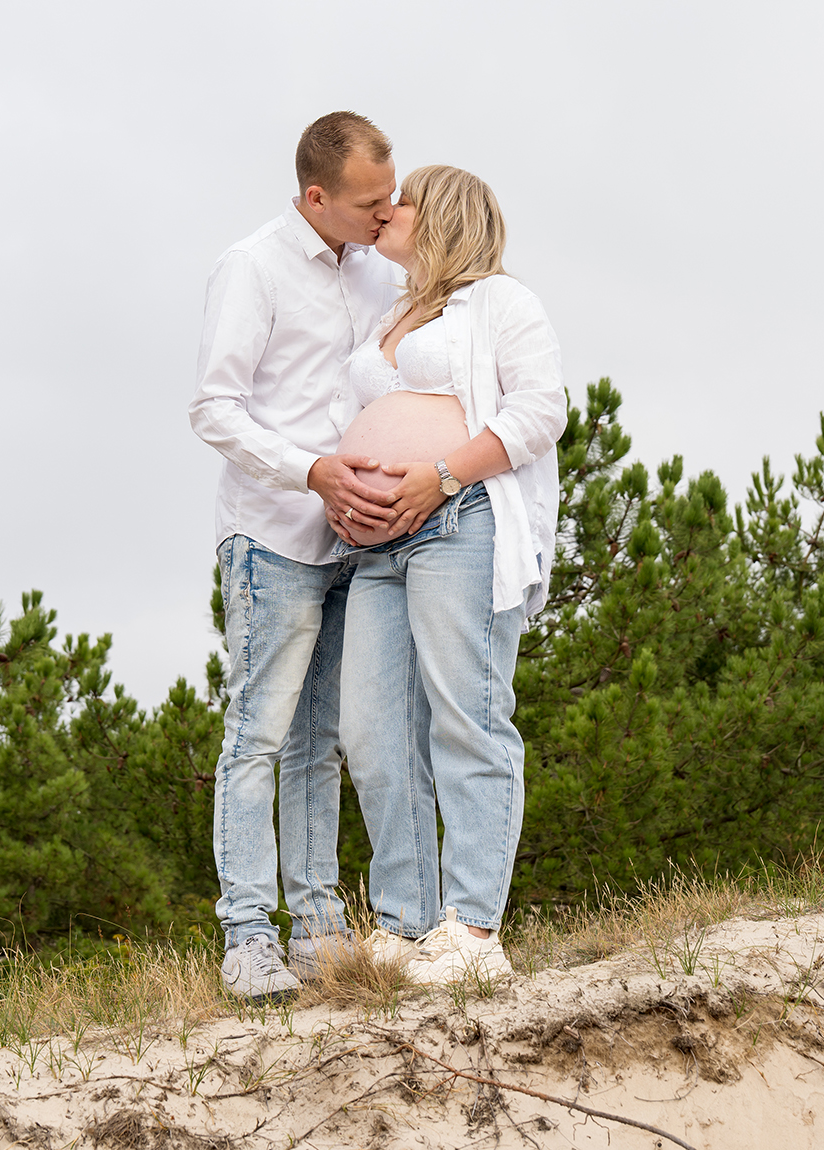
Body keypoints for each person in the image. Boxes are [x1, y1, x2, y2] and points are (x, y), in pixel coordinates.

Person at [329, 165, 567, 985]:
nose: (388, 210)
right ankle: (405, 922)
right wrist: (346, 493)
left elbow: (540, 410)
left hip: (460, 526)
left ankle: (474, 932)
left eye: (405, 200)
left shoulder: (503, 303)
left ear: (445, 217)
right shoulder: (393, 313)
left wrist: (441, 476)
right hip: (376, 546)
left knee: (467, 716)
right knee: (370, 730)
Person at [188, 112, 408, 1002]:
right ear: (316, 197)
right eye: (369, 202)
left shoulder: (379, 269)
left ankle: (318, 935)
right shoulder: (252, 266)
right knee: (257, 735)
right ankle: (247, 938)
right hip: (273, 536)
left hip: (357, 541)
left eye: (391, 196)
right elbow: (214, 407)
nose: (387, 214)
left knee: (322, 745)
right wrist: (312, 470)